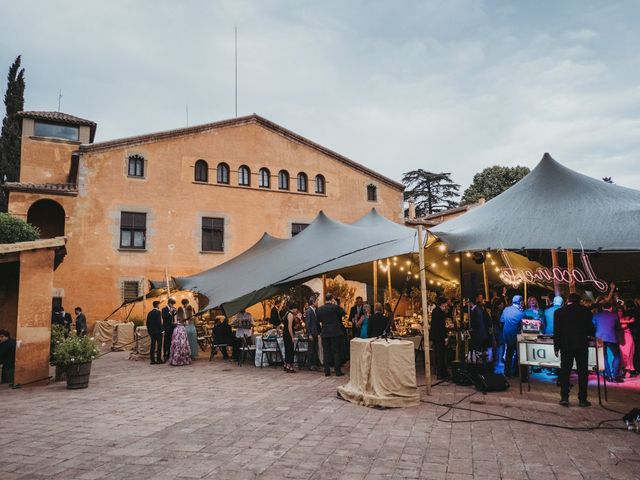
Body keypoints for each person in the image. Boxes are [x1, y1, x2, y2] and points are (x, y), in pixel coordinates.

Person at [554, 293, 594, 407]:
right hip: (581, 345)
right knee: (582, 372)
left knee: (565, 372)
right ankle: (582, 399)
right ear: (579, 301)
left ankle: (564, 397)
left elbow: (557, 331)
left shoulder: (559, 312)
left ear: (568, 300)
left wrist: (556, 347)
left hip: (566, 345)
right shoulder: (586, 311)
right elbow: (590, 330)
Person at [317, 293, 346, 377]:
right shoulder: (335, 307)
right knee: (336, 352)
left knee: (326, 352)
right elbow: (343, 313)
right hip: (335, 332)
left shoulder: (320, 309)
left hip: (325, 332)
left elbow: (318, 320)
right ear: (332, 298)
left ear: (325, 299)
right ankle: (337, 371)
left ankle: (327, 371)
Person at [593, 302, 623, 382]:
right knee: (617, 356)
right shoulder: (615, 315)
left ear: (603, 308)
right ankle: (615, 375)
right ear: (611, 308)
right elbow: (618, 328)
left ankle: (608, 376)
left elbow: (593, 326)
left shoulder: (596, 315)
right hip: (611, 337)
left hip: (599, 337)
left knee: (603, 356)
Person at [501, 295, 524, 377]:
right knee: (518, 354)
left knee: (508, 353)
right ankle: (516, 372)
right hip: (515, 335)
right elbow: (522, 326)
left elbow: (502, 320)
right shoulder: (521, 313)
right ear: (520, 302)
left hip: (506, 334)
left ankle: (506, 371)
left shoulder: (506, 309)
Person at [431, 297, 449, 379]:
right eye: (445, 303)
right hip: (439, 336)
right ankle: (441, 373)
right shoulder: (439, 312)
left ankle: (442, 372)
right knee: (440, 354)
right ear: (442, 304)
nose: (446, 304)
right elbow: (441, 326)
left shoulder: (435, 311)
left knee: (440, 354)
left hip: (436, 336)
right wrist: (445, 337)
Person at [618, 301, 636, 378]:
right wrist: (629, 321)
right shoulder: (615, 319)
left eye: (621, 311)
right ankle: (622, 370)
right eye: (618, 311)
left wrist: (628, 321)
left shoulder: (626, 317)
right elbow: (619, 322)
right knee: (622, 355)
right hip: (620, 338)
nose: (620, 312)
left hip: (627, 338)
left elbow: (624, 325)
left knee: (628, 354)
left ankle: (628, 370)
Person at [490, 296, 506, 373]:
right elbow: (500, 323)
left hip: (495, 330)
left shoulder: (493, 312)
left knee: (497, 346)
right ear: (498, 305)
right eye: (501, 305)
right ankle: (499, 360)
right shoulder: (498, 313)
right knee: (501, 345)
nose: (502, 306)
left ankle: (497, 360)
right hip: (498, 330)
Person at [283, 304, 300, 373]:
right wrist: (292, 337)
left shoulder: (287, 313)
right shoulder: (290, 315)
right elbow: (289, 327)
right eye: (296, 309)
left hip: (285, 334)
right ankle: (290, 367)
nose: (297, 311)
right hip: (288, 334)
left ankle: (286, 365)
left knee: (287, 349)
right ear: (294, 309)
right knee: (290, 350)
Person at [305, 296, 320, 370]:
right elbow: (307, 323)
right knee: (311, 349)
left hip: (315, 333)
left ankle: (314, 364)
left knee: (315, 349)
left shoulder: (314, 310)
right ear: (313, 302)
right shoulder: (309, 311)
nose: (317, 303)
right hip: (311, 333)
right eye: (316, 301)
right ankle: (310, 365)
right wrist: (309, 334)